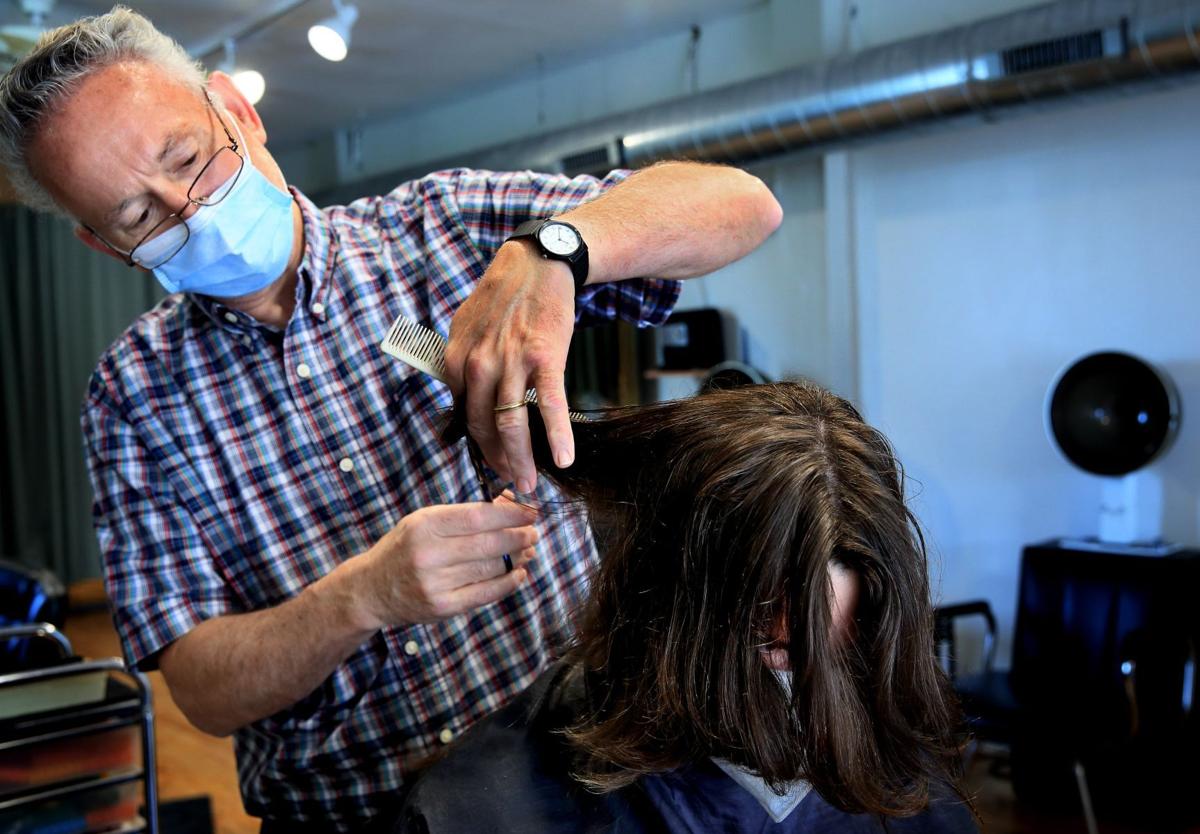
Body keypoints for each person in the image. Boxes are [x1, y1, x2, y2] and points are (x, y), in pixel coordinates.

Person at [0, 7, 783, 831]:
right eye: (138, 218)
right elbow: (201, 689)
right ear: (103, 245)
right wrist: (362, 597)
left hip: (582, 780)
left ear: (236, 109)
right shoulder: (131, 399)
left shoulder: (442, 230)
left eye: (189, 160)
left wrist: (558, 250)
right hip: (349, 816)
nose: (190, 214)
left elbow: (741, 204)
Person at [399, 381, 977, 832]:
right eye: (767, 642)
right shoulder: (477, 810)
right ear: (669, 608)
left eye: (829, 653)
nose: (806, 694)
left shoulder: (899, 767)